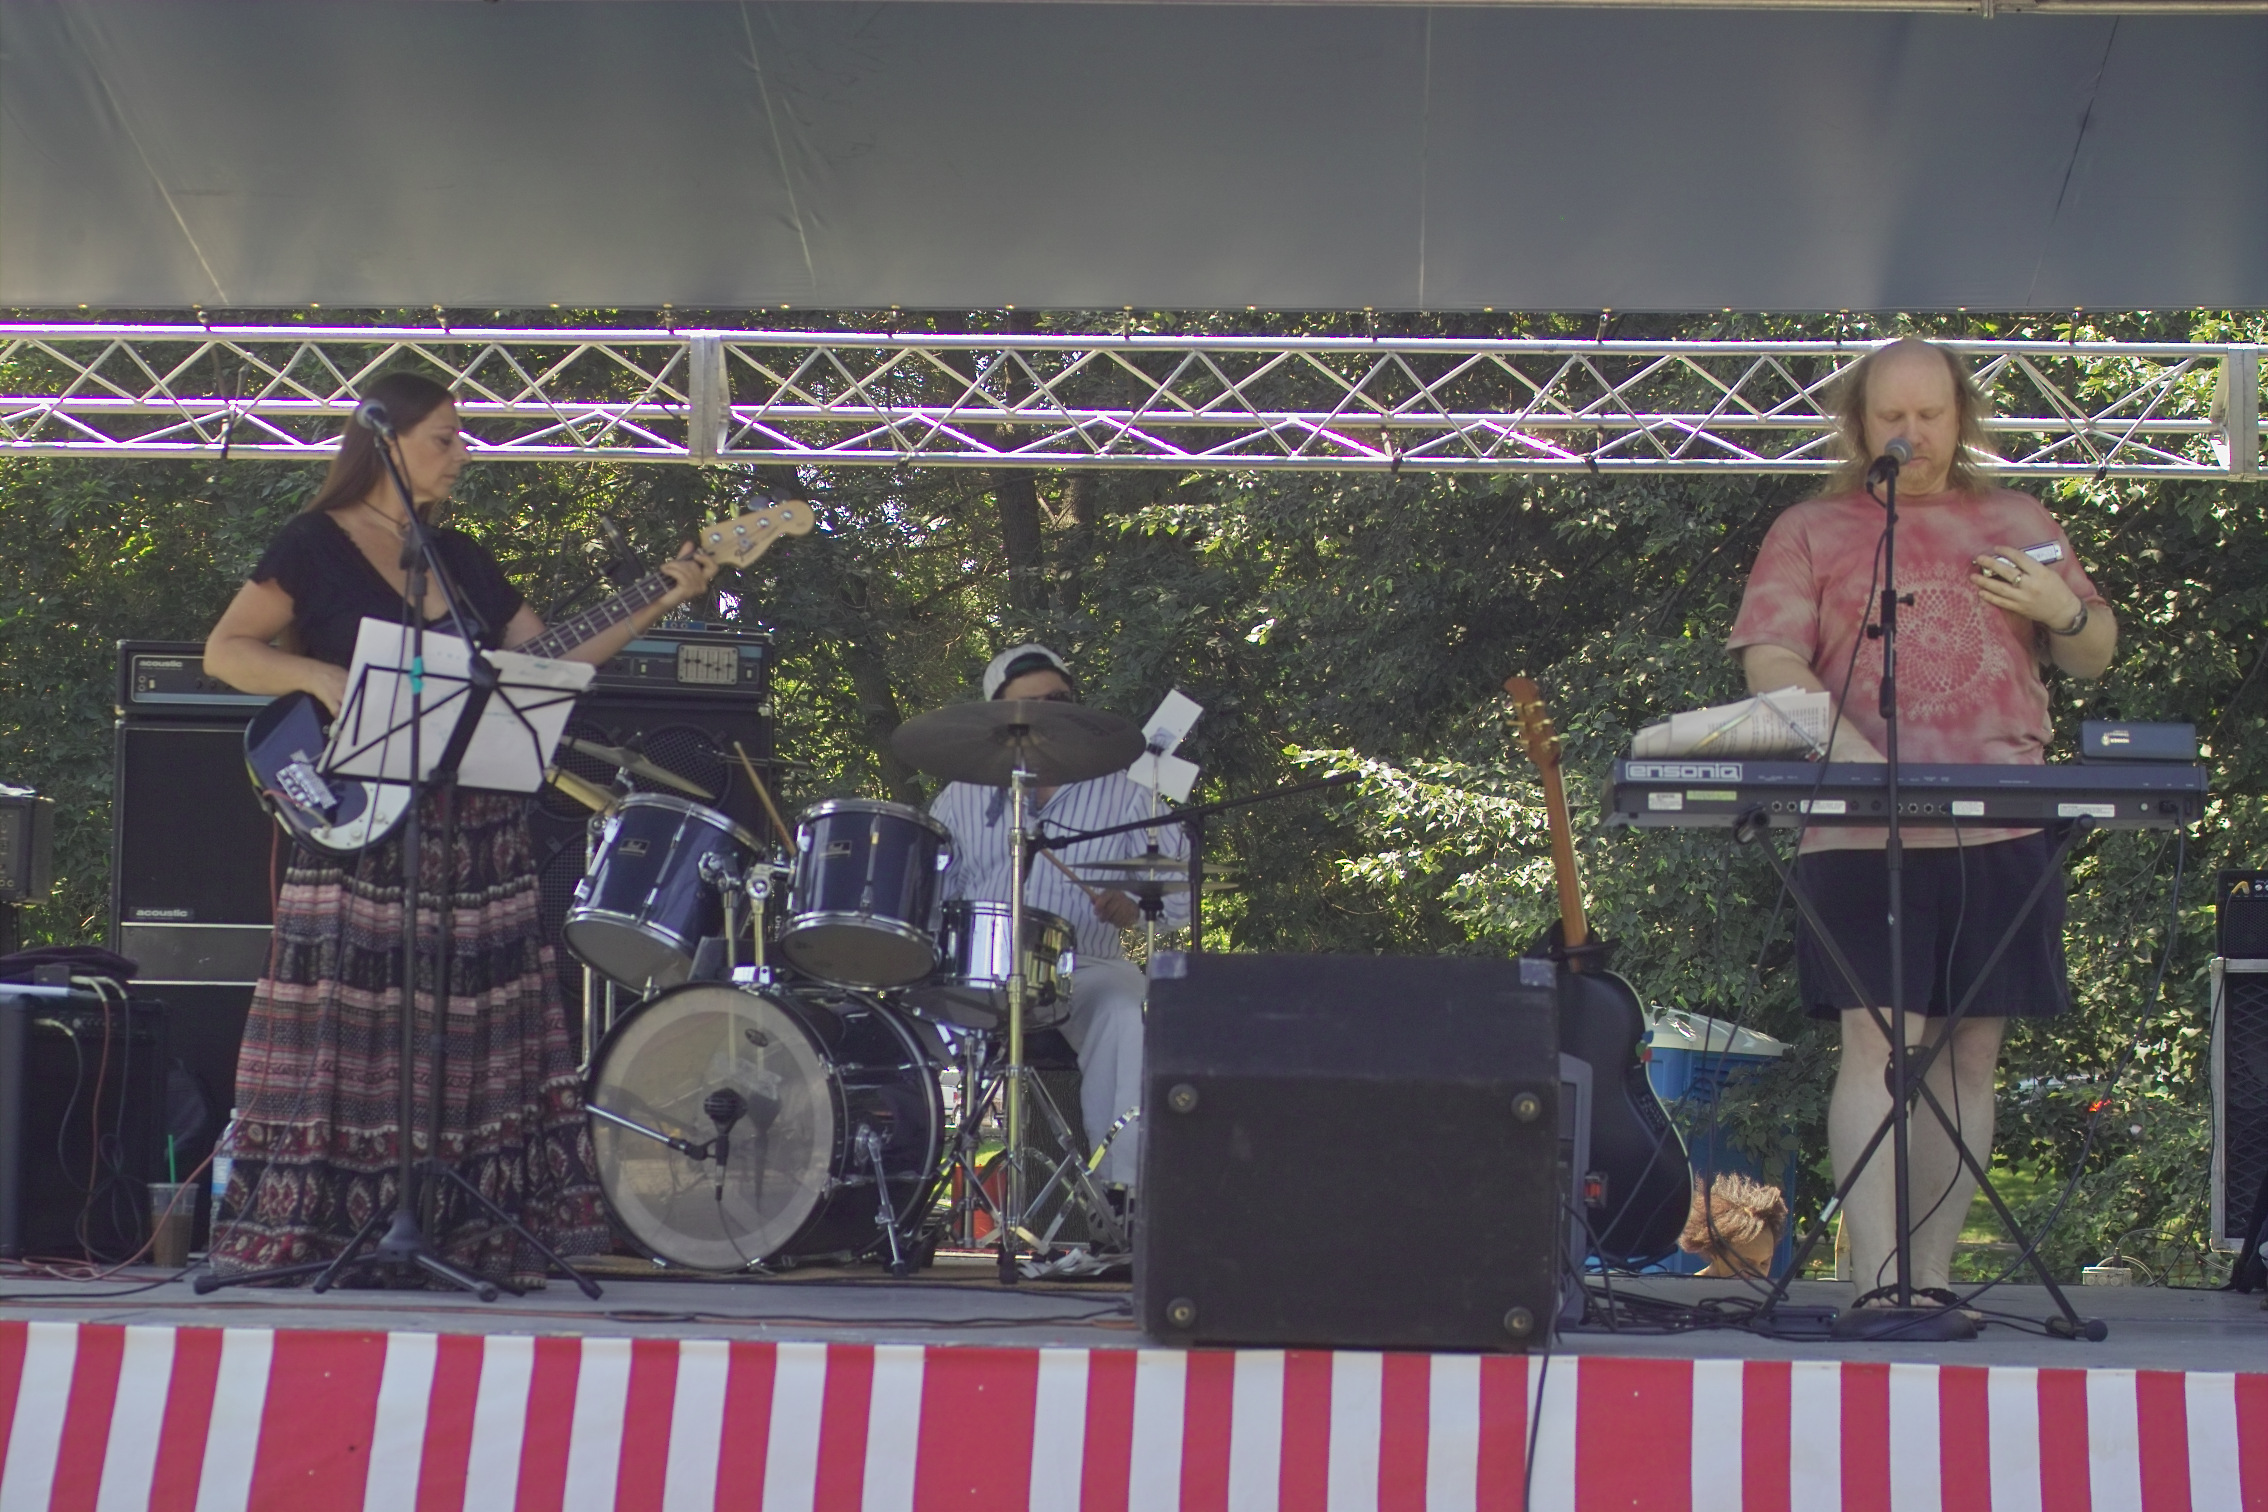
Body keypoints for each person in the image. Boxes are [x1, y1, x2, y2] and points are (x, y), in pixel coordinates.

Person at [202, 370, 718, 1286]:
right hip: (362, 829)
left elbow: (551, 661)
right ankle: (328, 1225)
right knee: (355, 1028)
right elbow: (226, 651)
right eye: (444, 438)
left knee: (472, 1031)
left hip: (477, 836)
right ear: (386, 443)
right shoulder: (313, 544)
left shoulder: (461, 559)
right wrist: (320, 677)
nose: (462, 454)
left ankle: (459, 1225)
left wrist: (657, 601)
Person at [1725, 336, 2117, 1305]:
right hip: (1862, 827)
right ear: (1860, 424)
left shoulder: (2017, 518)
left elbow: (2095, 654)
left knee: (1971, 1052)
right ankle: (1879, 1283)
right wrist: (1854, 758)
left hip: (2002, 824)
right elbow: (1769, 659)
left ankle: (1931, 1285)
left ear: (1962, 416)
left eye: (1931, 415)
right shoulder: (1812, 528)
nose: (1914, 433)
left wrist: (2063, 610)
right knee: (1879, 1043)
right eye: (1893, 417)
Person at [926, 645, 1189, 1203]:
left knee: (1127, 1009)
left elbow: (1179, 891)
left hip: (1086, 964)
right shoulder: (959, 796)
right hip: (983, 968)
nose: (1052, 713)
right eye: (1034, 706)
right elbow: (930, 900)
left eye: (1061, 700)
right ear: (1001, 720)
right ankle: (907, 1189)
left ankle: (1124, 1195)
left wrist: (1135, 902)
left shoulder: (1127, 787)